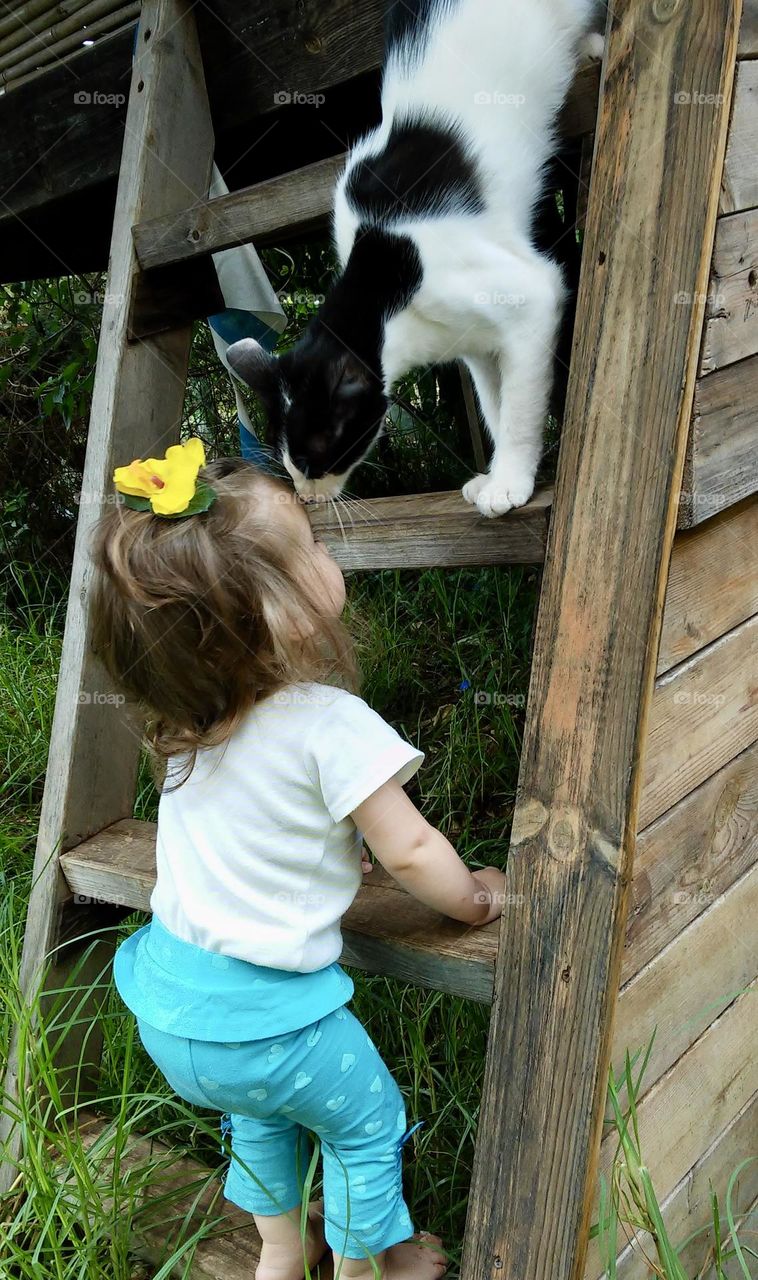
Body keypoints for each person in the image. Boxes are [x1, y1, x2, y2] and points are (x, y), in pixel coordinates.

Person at [91, 439, 506, 1280]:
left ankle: (280, 1253)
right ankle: (375, 1268)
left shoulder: (189, 733)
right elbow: (415, 848)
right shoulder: (326, 720)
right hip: (271, 1028)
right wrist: (475, 899)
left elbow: (256, 841)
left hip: (173, 1013)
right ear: (278, 612)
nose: (327, 548)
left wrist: (327, 859)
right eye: (313, 545)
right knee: (367, 1124)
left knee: (261, 1121)